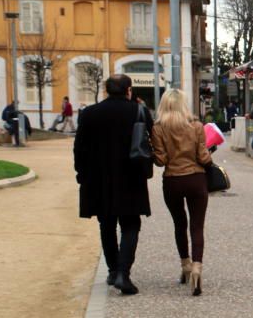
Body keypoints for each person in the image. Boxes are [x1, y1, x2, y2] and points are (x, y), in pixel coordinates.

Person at [74, 75, 151, 295]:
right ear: (128, 90)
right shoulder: (139, 111)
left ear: (107, 90)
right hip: (131, 176)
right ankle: (123, 274)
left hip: (98, 178)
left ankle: (112, 270)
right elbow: (150, 141)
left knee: (106, 224)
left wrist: (81, 175)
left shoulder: (89, 114)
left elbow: (79, 148)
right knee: (130, 224)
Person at [151, 89, 212, 296]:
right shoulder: (196, 125)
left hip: (172, 181)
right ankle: (197, 268)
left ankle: (185, 265)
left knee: (180, 224)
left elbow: (161, 161)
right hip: (196, 179)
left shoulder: (158, 128)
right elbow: (203, 157)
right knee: (197, 226)